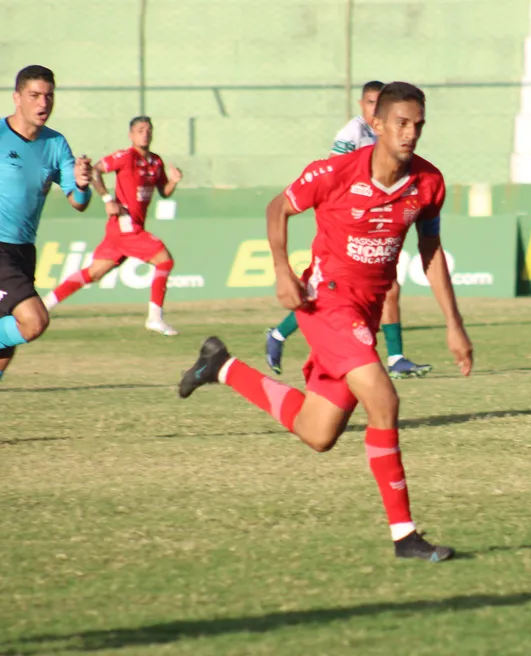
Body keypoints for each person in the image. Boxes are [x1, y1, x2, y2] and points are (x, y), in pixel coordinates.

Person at [178, 82, 473, 562]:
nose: (410, 133)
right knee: (384, 399)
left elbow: (431, 250)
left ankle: (222, 367)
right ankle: (405, 537)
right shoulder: (335, 172)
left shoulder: (428, 183)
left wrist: (453, 324)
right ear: (376, 124)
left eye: (418, 124)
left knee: (317, 433)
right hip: (328, 303)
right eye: (401, 123)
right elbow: (278, 207)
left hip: (366, 311)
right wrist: (282, 270)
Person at [265, 80, 432, 380]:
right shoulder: (353, 132)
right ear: (363, 106)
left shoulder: (400, 144)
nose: (373, 108)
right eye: (369, 103)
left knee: (388, 287)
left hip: (379, 223)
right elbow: (336, 174)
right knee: (322, 296)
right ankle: (279, 334)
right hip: (348, 224)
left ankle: (394, 357)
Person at [43, 116, 183, 335]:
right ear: (131, 135)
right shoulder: (125, 156)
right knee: (164, 260)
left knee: (94, 273)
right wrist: (108, 199)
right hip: (125, 226)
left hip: (122, 230)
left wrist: (173, 181)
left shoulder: (155, 162)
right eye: (140, 130)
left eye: (148, 130)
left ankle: (46, 304)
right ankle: (154, 318)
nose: (145, 134)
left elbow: (164, 192)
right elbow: (96, 170)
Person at [0, 65, 92, 382]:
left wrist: (82, 184)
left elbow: (78, 201)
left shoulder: (55, 143)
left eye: (49, 96)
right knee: (33, 321)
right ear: (17, 98)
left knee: (5, 348)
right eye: (34, 95)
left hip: (24, 250)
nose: (43, 103)